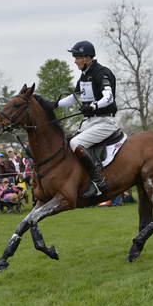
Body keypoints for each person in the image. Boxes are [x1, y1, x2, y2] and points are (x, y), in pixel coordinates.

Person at [54, 40, 118, 198]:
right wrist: (54, 105)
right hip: (90, 122)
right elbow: (74, 97)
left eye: (77, 57)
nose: (75, 61)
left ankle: (98, 182)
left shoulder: (101, 73)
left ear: (87, 57)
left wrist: (93, 106)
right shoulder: (85, 76)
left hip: (104, 121)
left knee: (76, 143)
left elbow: (109, 97)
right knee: (67, 143)